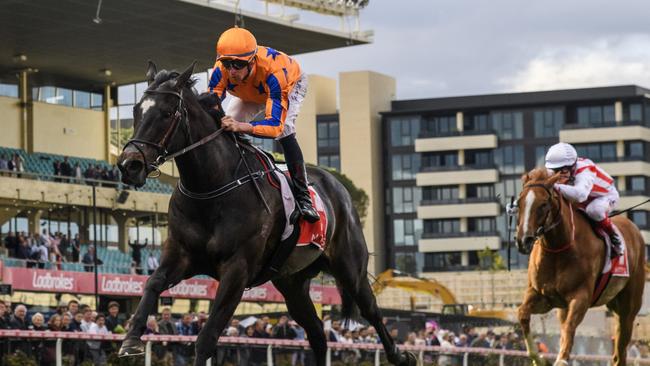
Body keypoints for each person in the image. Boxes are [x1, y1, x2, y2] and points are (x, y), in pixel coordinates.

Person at [208, 27, 319, 222]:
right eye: (227, 63)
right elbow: (210, 105)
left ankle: (304, 198)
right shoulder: (220, 69)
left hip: (288, 85)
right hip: (248, 92)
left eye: (238, 64)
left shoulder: (275, 74)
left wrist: (242, 127)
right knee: (221, 128)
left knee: (285, 130)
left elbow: (275, 127)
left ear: (252, 61)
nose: (232, 71)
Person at [546, 142, 622, 257]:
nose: (558, 175)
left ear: (572, 166)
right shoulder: (557, 169)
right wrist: (517, 206)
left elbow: (580, 195)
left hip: (604, 196)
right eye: (555, 171)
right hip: (582, 200)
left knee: (594, 210)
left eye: (563, 171)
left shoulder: (585, 170)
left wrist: (554, 186)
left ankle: (615, 238)